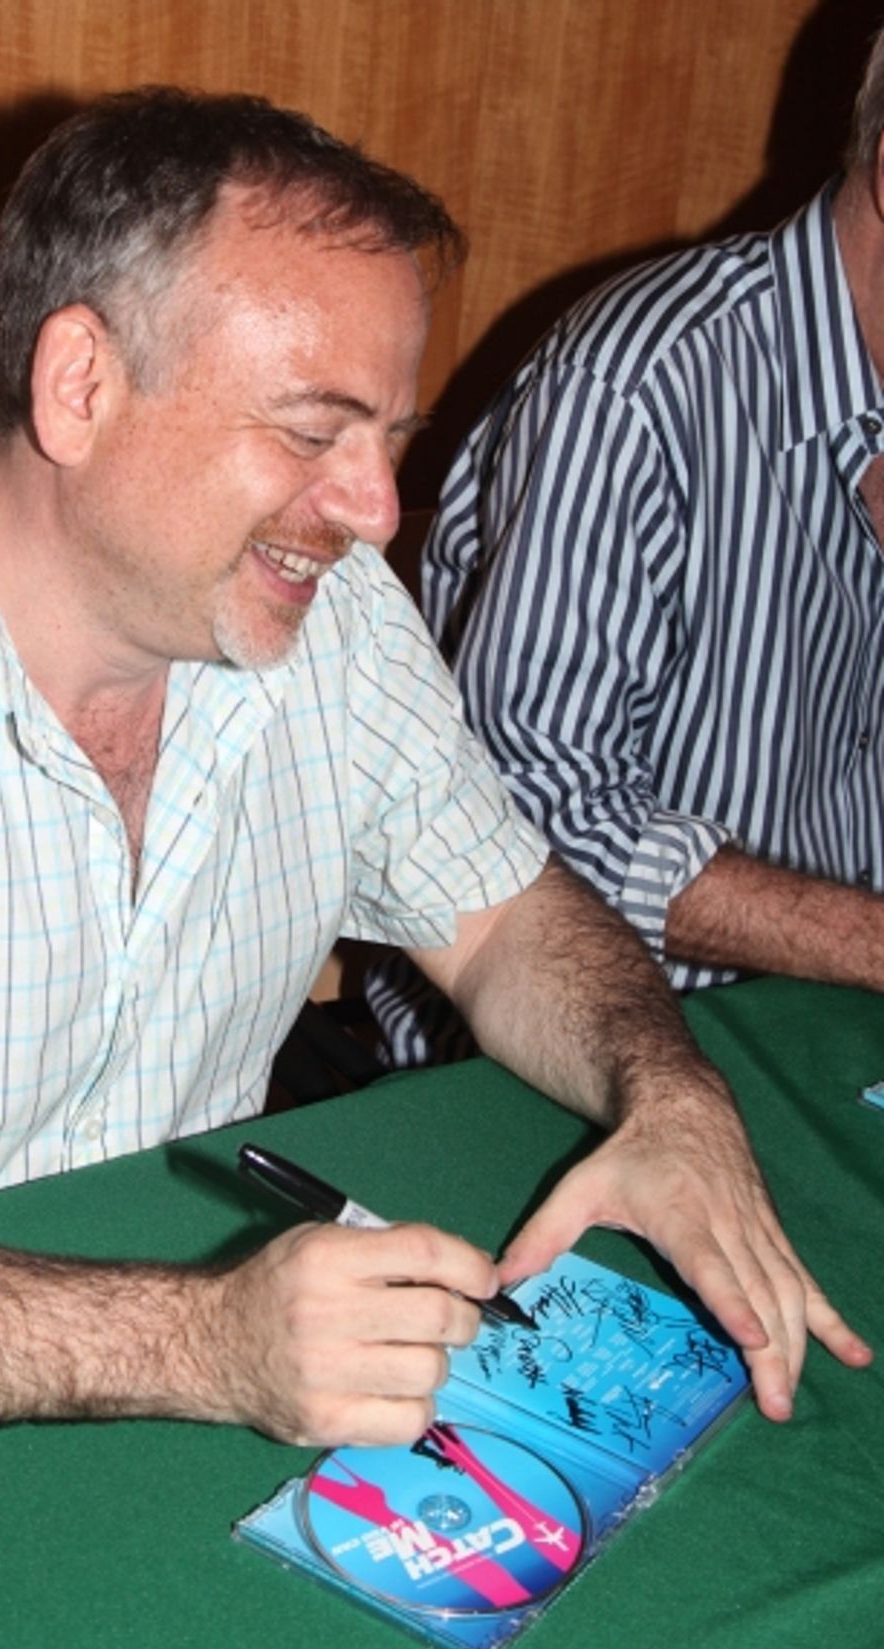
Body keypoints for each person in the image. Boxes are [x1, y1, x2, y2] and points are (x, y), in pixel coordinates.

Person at [0, 90, 867, 1447]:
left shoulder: (332, 618)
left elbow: (505, 922)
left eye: (391, 439)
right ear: (80, 386)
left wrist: (670, 1091)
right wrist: (196, 1339)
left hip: (186, 1381)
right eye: (313, 433)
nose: (377, 511)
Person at [371, 28, 884, 1087]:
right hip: (572, 1052)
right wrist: (866, 941)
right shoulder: (638, 385)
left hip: (832, 1026)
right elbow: (528, 825)